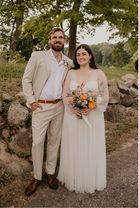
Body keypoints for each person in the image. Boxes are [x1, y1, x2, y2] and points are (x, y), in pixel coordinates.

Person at [22, 27, 73, 196]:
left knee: (54, 141)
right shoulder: (38, 56)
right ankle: (37, 176)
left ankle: (51, 173)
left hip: (59, 107)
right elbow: (27, 79)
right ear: (50, 40)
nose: (57, 39)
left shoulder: (68, 62)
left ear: (64, 40)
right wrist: (31, 101)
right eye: (54, 37)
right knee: (37, 142)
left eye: (60, 37)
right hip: (41, 106)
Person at [57, 44, 109, 193]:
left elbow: (105, 96)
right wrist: (72, 106)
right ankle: (74, 177)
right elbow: (65, 94)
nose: (81, 57)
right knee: (75, 145)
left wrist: (91, 106)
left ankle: (90, 177)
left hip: (92, 117)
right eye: (78, 54)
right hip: (72, 116)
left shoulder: (99, 73)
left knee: (90, 146)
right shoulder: (71, 73)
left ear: (90, 56)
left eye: (84, 54)